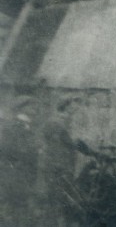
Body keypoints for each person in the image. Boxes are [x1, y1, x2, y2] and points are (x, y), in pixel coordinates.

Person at [39, 97, 91, 227]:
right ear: (66, 107)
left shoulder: (57, 121)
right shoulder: (59, 123)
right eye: (73, 107)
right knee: (60, 198)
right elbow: (69, 143)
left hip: (59, 165)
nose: (75, 109)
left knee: (61, 198)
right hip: (60, 166)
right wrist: (88, 151)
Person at [0, 95, 38, 226]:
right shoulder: (13, 126)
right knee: (13, 208)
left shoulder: (28, 125)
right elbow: (7, 149)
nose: (35, 109)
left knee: (22, 208)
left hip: (25, 173)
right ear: (23, 108)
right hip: (15, 173)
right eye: (32, 106)